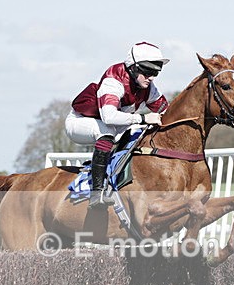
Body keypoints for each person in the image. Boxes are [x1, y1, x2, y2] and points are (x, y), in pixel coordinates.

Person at [65, 42, 170, 209]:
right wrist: (143, 119)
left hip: (113, 126)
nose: (151, 77)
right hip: (80, 122)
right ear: (133, 68)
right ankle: (96, 193)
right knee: (107, 131)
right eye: (148, 72)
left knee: (138, 133)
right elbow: (109, 116)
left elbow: (166, 110)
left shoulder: (147, 86)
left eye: (155, 72)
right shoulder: (113, 80)